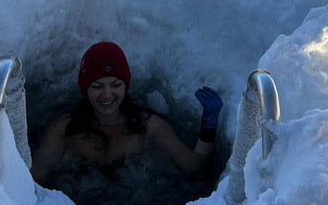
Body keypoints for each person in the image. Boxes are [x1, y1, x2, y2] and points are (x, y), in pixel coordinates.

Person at [30, 41, 223, 190]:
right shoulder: (65, 129)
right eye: (97, 86)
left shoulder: (149, 126)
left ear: (126, 86)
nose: (107, 95)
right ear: (85, 89)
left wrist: (208, 127)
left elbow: (196, 171)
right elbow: (34, 178)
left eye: (116, 85)